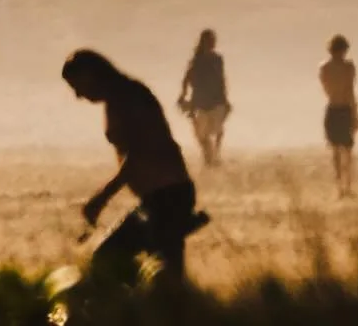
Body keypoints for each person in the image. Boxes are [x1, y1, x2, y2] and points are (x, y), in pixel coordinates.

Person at [62, 48, 208, 286]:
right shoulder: (121, 96)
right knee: (153, 271)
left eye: (77, 85)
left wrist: (102, 198)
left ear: (91, 75)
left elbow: (140, 153)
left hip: (168, 197)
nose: (79, 95)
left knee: (120, 261)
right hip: (159, 198)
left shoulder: (127, 96)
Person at [178, 29, 231, 167]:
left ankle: (215, 156)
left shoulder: (217, 59)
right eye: (210, 40)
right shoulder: (196, 60)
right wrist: (183, 96)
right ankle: (210, 158)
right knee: (202, 135)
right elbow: (186, 79)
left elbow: (221, 80)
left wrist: (225, 100)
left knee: (218, 130)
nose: (212, 43)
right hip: (200, 103)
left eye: (213, 40)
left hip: (216, 101)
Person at [319, 35, 358, 197]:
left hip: (332, 108)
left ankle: (340, 187)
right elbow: (350, 92)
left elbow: (327, 89)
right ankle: (346, 185)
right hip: (344, 109)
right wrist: (355, 113)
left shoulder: (324, 68)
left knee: (336, 151)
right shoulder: (348, 68)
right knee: (347, 151)